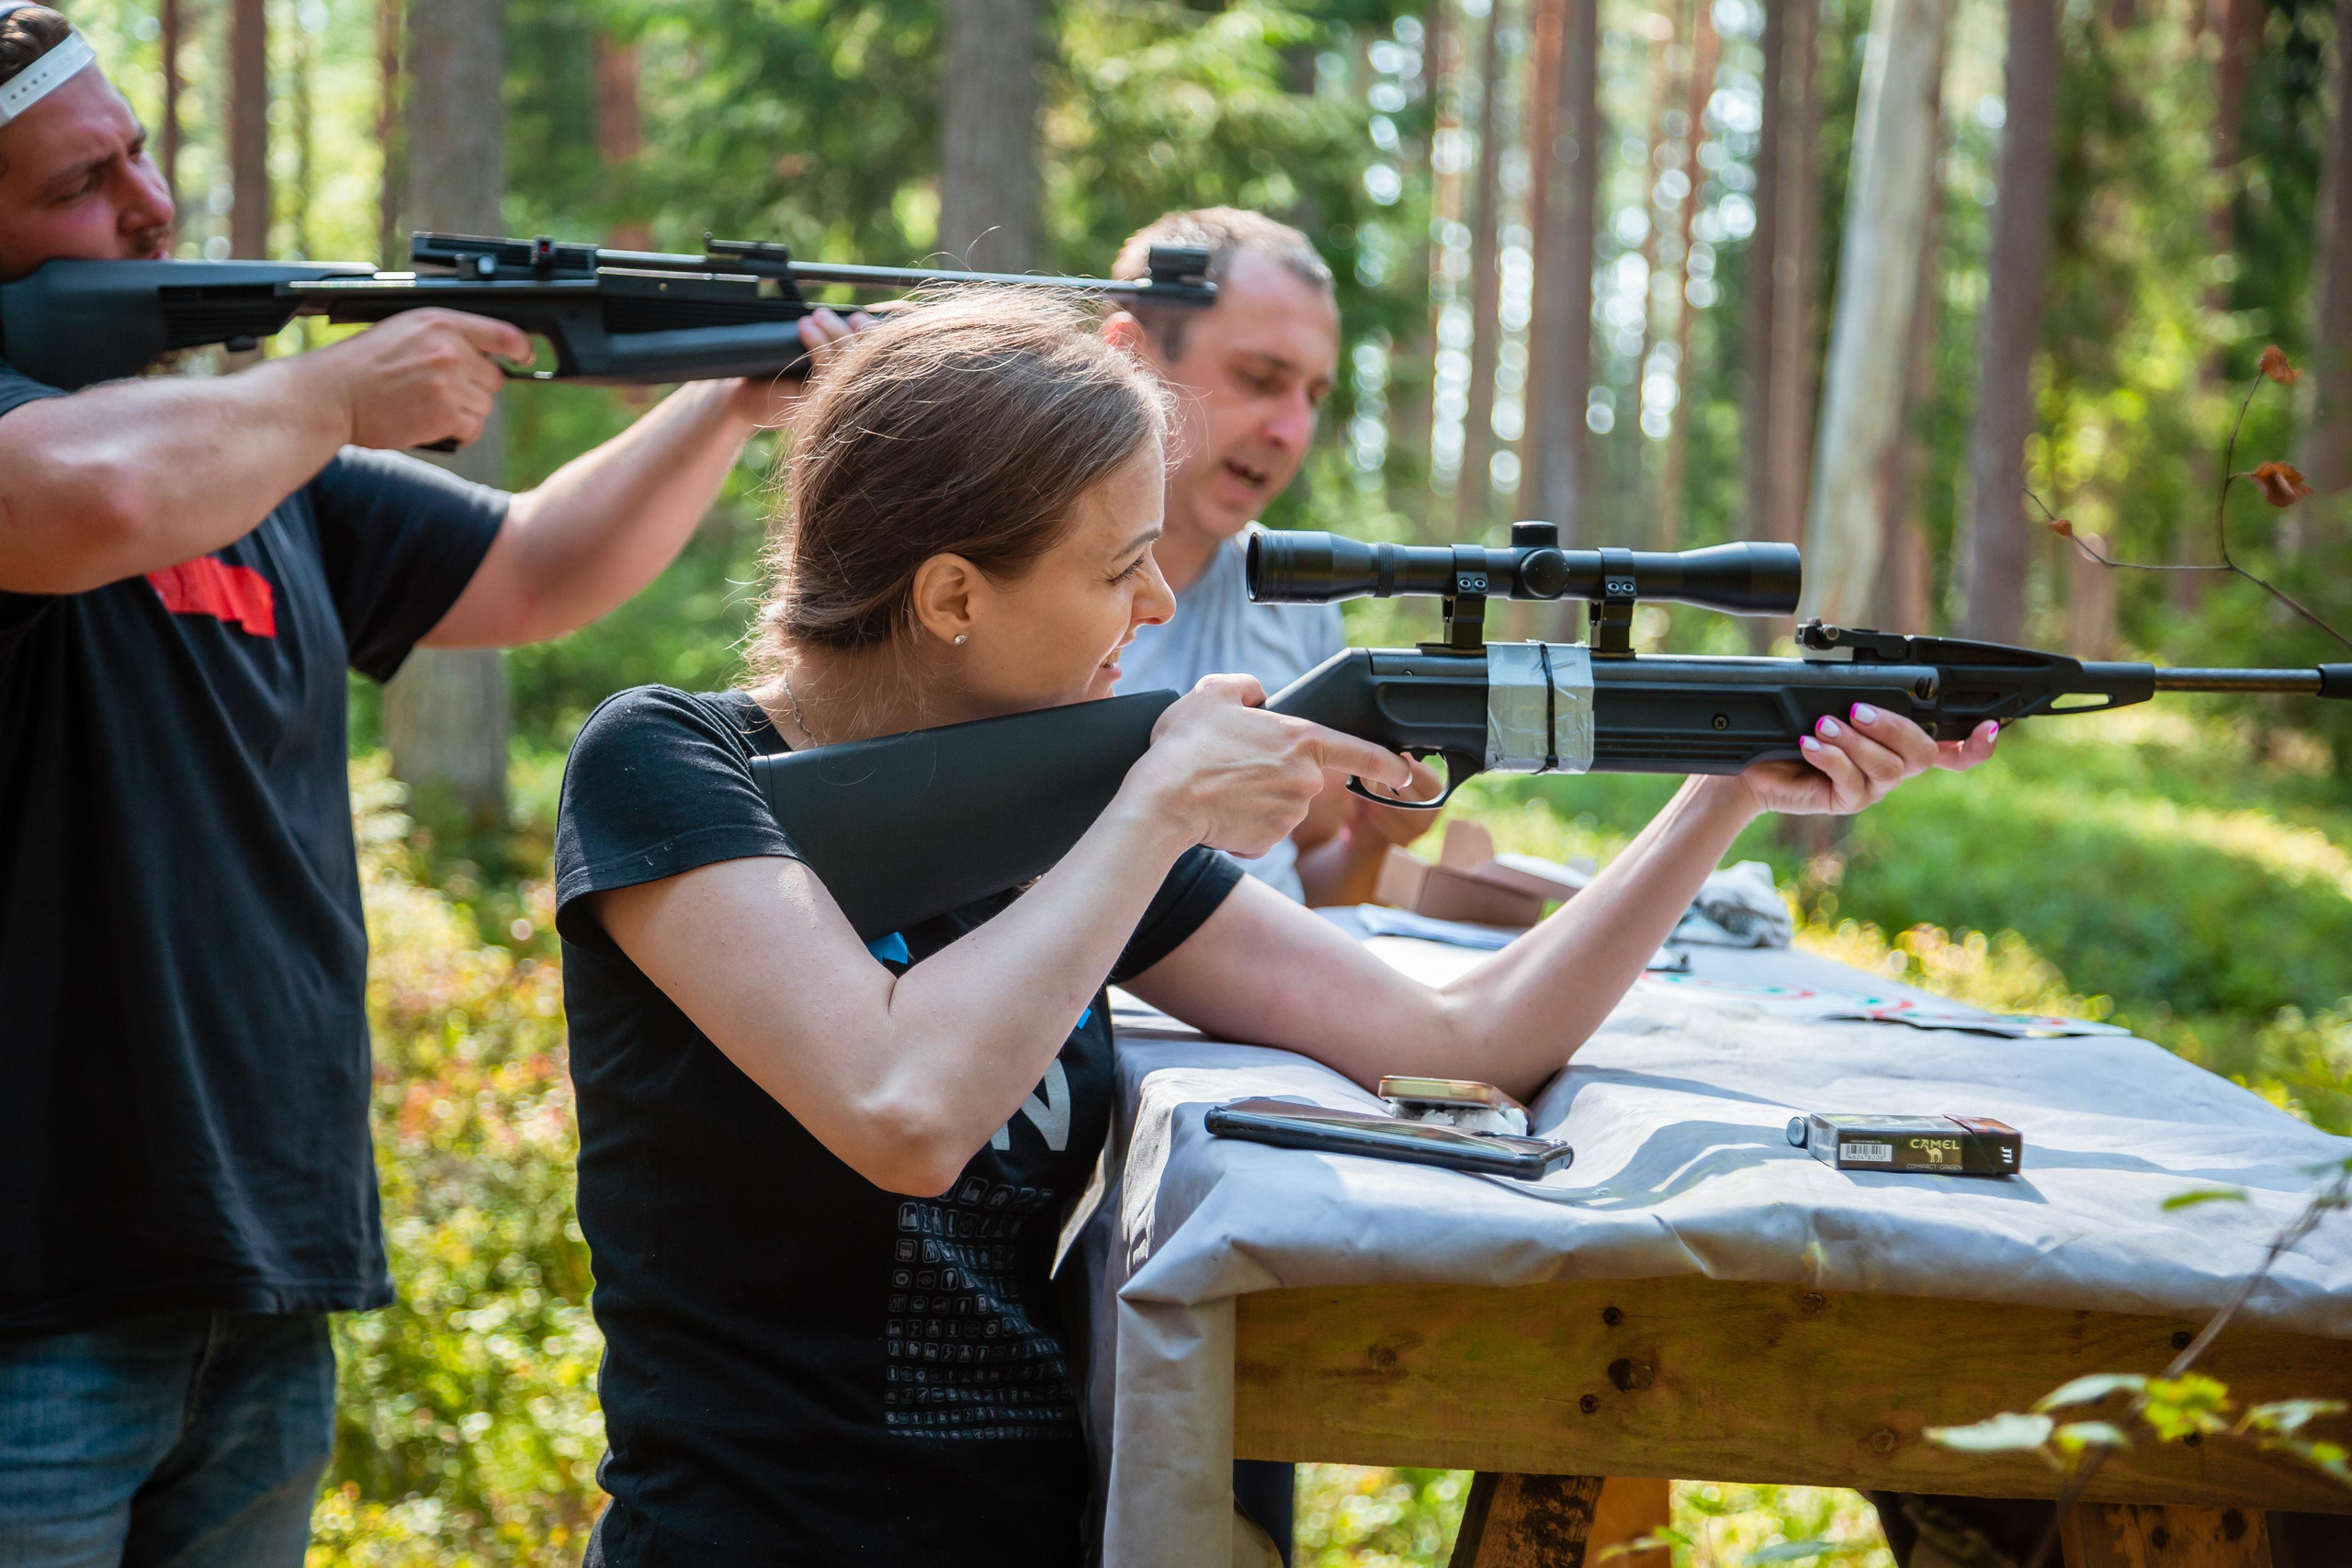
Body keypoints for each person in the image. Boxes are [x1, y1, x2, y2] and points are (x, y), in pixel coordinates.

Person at [550, 291, 1999, 1567]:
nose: (1163, 600)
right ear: (949, 594)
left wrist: (1718, 799)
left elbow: (1459, 1042)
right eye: (1119, 565)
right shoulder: (669, 766)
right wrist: (1146, 817)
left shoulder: (1072, 802)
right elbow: (900, 1106)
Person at [0, 9, 861, 1564]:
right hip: (27, 1298)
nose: (148, 207)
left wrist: (724, 402)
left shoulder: (261, 476)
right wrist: (336, 389)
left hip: (256, 1265)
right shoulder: (109, 460)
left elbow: (534, 563)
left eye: (137, 152)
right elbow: (84, 494)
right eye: (77, 185)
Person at [1104, 208, 1436, 909]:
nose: (1292, 430)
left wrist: (1372, 838)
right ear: (1128, 355)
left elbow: (1298, 886)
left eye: (1313, 395)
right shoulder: (1011, 585)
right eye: (1260, 378)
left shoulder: (1301, 592)